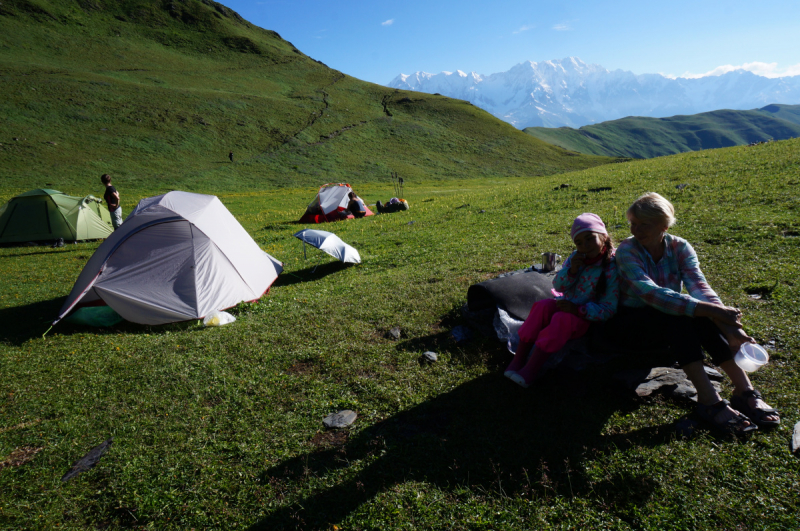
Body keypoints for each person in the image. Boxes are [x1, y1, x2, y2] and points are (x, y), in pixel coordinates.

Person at [609, 192, 779, 434]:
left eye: (645, 224)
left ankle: (745, 390)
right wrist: (714, 312)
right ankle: (709, 400)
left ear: (664, 226)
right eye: (633, 224)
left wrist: (731, 327)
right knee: (680, 316)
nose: (637, 230)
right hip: (630, 325)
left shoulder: (680, 247)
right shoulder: (627, 250)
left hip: (668, 319)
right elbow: (650, 293)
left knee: (694, 314)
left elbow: (700, 287)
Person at [505, 213, 619, 387]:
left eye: (590, 238)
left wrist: (578, 310)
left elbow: (608, 309)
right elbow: (558, 286)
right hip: (567, 305)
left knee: (561, 319)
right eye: (579, 243)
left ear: (603, 236)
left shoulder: (612, 266)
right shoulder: (576, 258)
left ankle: (532, 368)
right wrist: (572, 270)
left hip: (587, 318)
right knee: (542, 306)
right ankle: (519, 358)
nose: (585, 246)